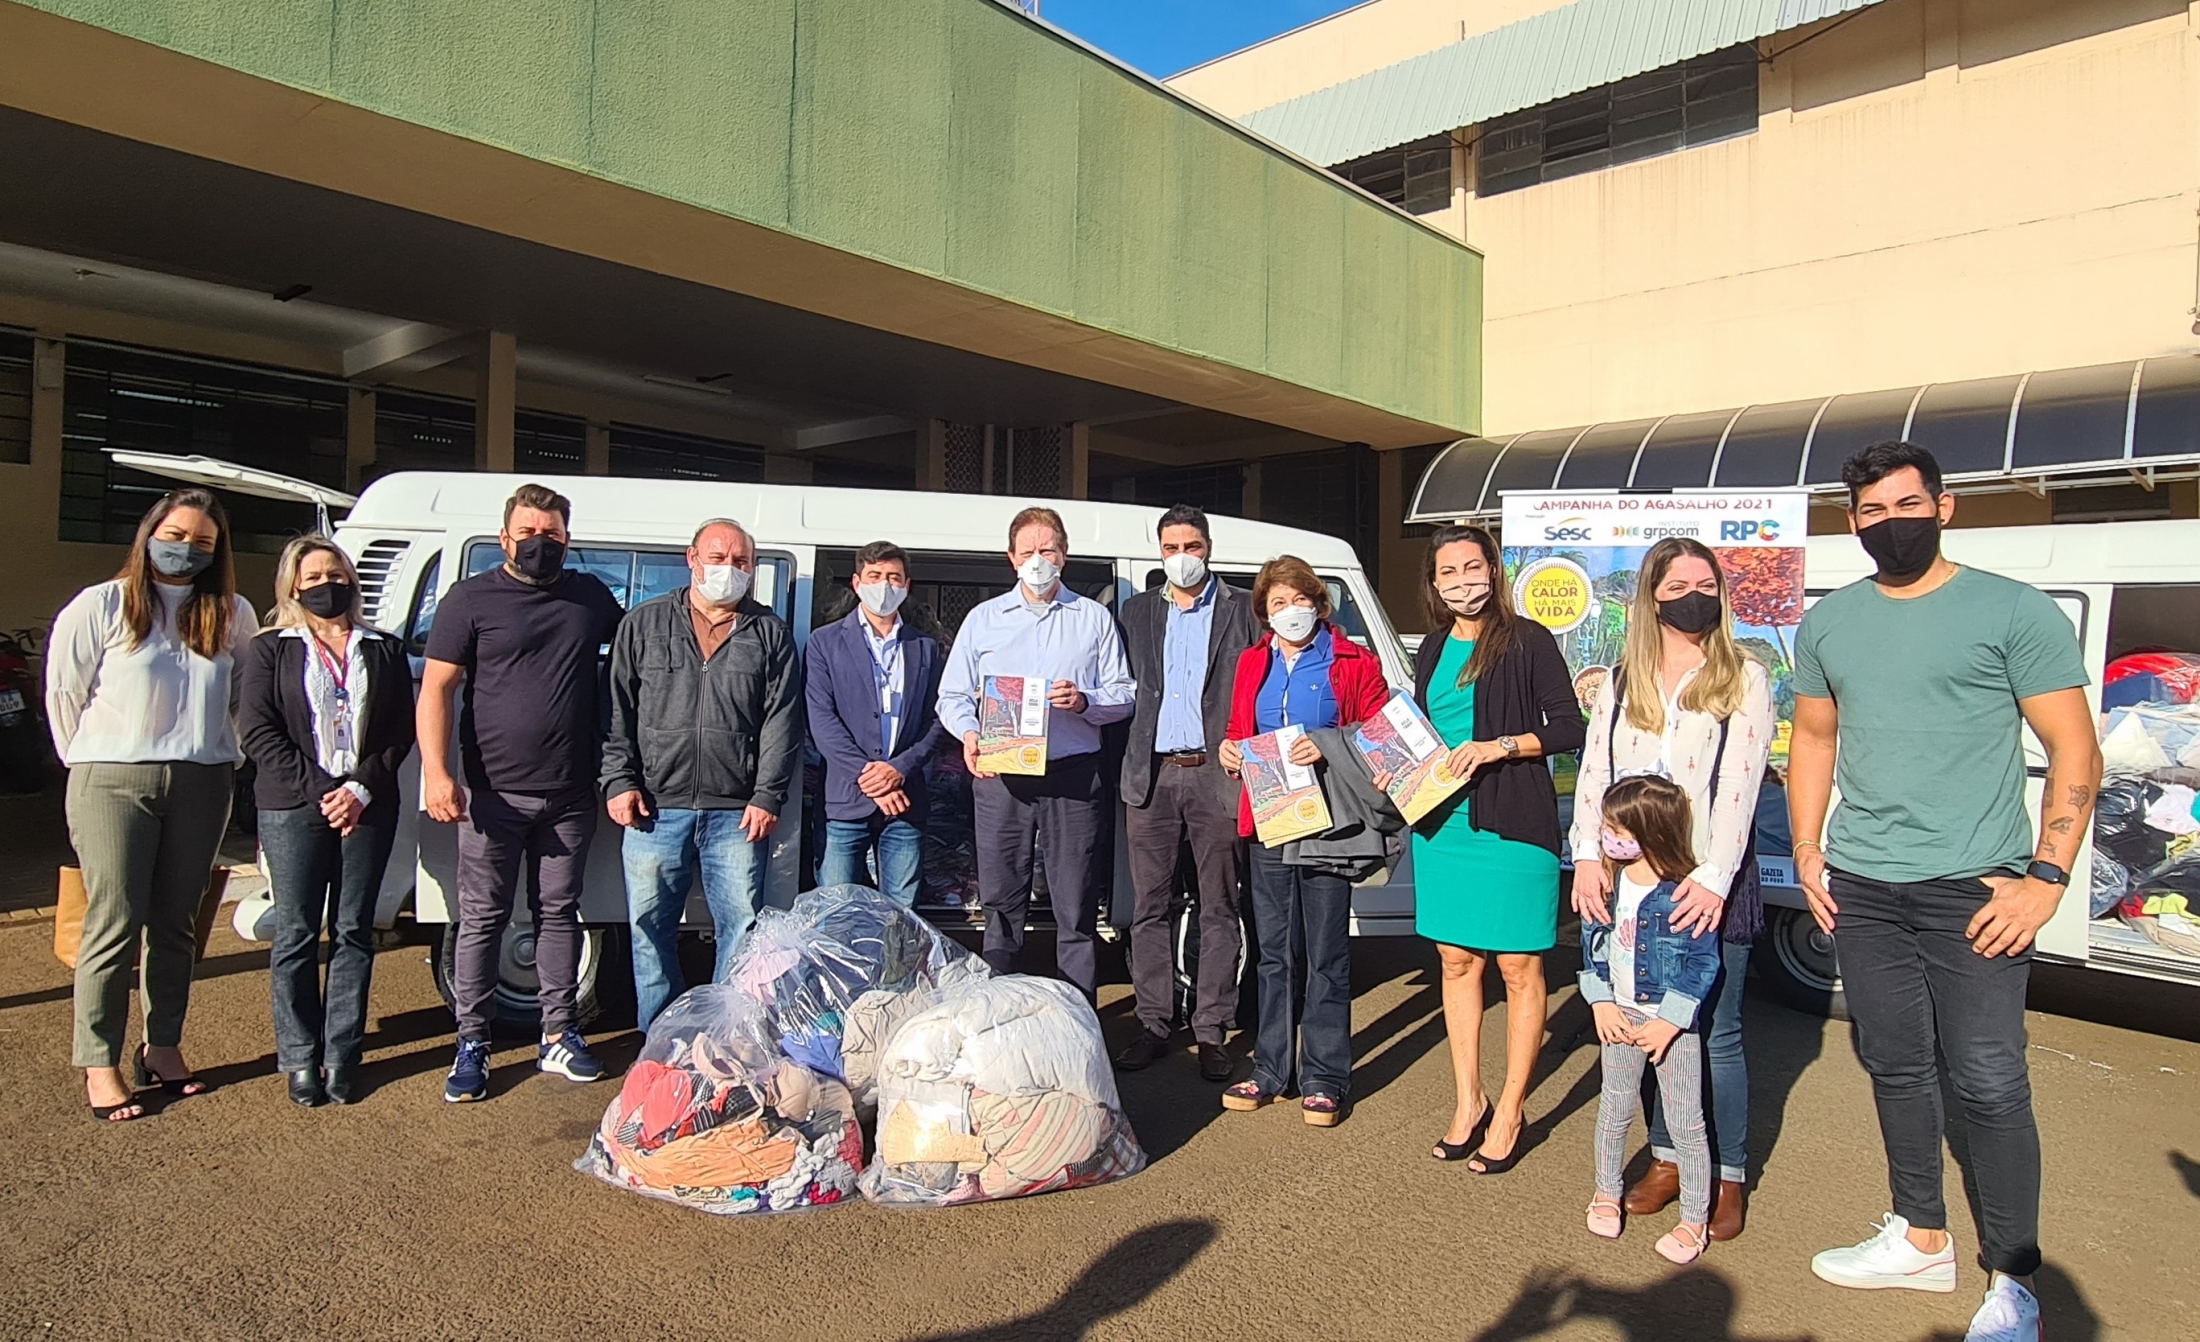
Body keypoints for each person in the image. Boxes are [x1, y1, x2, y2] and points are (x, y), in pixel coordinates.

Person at [1791, 442, 2099, 1342]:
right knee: (1894, 1064)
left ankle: (2014, 1282)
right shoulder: (1833, 622)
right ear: (1853, 522)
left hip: (1978, 887)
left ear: (1944, 507)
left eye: (1905, 505)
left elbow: (2075, 753)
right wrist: (1809, 853)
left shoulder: (2012, 609)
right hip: (1864, 885)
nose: (1891, 523)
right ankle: (1921, 1236)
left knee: (1991, 1082)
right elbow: (1814, 738)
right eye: (1872, 512)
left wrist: (2047, 881)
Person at [1569, 537, 1773, 1240]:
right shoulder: (1626, 677)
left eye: (1706, 582)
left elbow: (1742, 786)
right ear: (1652, 595)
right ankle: (1665, 1160)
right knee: (1643, 1015)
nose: (1695, 594)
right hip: (1630, 878)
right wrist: (1589, 856)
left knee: (1713, 1033)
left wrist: (1713, 880)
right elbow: (1595, 770)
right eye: (1678, 583)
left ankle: (1728, 1175)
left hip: (1704, 880)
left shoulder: (1742, 674)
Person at [45, 487, 258, 1122]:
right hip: (113, 779)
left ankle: (162, 1046)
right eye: (176, 534)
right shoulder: (102, 605)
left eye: (202, 542)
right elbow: (64, 692)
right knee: (114, 920)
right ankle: (99, 1061)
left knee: (176, 923)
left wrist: (224, 749)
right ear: (148, 533)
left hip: (201, 780)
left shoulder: (230, 612)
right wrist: (94, 756)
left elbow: (246, 695)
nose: (185, 548)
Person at [420, 483, 626, 1102]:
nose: (541, 544)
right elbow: (437, 688)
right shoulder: (470, 598)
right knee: (482, 918)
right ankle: (472, 1043)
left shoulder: (589, 597)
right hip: (490, 794)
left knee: (561, 914)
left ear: (568, 539)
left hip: (569, 793)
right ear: (505, 535)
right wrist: (437, 772)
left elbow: (643, 653)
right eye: (529, 533)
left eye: (553, 535)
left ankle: (559, 1035)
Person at [1410, 524, 1584, 1173]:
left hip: (1512, 823)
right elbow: (1427, 732)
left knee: (1518, 967)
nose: (1462, 581)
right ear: (1434, 584)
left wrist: (1499, 746)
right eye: (1448, 572)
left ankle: (1511, 1108)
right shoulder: (1430, 647)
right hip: (1443, 827)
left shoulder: (1528, 640)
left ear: (1494, 570)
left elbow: (1569, 727)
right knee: (1456, 961)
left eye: (1472, 567)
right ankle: (1469, 1099)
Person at [238, 537, 417, 1107]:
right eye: (313, 576)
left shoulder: (382, 649)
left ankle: (342, 1054)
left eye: (335, 573)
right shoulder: (270, 650)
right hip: (294, 807)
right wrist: (326, 793)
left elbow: (398, 733)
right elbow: (258, 731)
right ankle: (299, 1058)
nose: (326, 584)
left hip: (368, 804)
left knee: (353, 932)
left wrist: (359, 788)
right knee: (294, 933)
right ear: (293, 586)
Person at [603, 517, 800, 1029]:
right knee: (649, 930)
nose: (729, 571)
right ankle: (661, 1043)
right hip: (653, 807)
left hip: (736, 813)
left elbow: (782, 722)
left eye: (740, 563)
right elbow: (615, 712)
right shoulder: (643, 624)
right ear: (691, 559)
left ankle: (721, 1040)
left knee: (739, 931)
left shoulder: (769, 633)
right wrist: (618, 781)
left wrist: (767, 796)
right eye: (718, 559)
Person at [1216, 556, 1389, 1127]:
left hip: (1329, 820)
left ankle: (1325, 1074)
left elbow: (1380, 732)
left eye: (1298, 600)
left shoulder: (1352, 660)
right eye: (1276, 604)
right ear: (1264, 614)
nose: (1290, 612)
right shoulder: (1251, 662)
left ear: (1318, 601)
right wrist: (1231, 750)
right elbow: (1241, 728)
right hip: (1270, 816)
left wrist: (1327, 743)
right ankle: (1270, 1067)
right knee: (1271, 951)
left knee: (1326, 952)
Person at [936, 506, 1135, 999]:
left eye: (1047, 551)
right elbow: (952, 695)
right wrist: (968, 733)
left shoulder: (1093, 618)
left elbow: (1125, 693)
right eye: (1028, 552)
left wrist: (1086, 702)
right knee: (1002, 901)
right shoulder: (984, 620)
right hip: (1002, 776)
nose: (1038, 560)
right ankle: (1000, 1011)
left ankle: (1079, 1015)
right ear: (1011, 558)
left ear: (1063, 557)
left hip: (1073, 776)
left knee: (1076, 903)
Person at [1114, 505, 1260, 1080]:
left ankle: (1211, 1026)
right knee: (1149, 908)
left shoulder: (1242, 608)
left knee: (1218, 905)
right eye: (1172, 547)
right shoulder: (1135, 612)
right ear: (1159, 552)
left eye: (1192, 545)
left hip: (1215, 774)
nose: (1182, 557)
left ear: (1208, 547)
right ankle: (1153, 1022)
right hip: (1149, 775)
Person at [1579, 775, 1722, 1265]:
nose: (1607, 837)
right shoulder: (1606, 882)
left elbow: (1704, 961)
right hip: (1617, 1014)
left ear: (1653, 832)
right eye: (1606, 828)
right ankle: (1604, 1191)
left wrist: (1672, 1020)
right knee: (1613, 1110)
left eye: (1617, 829)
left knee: (1687, 1121)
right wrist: (1599, 1001)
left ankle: (1696, 1218)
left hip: (1670, 1024)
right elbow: (1592, 948)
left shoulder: (1685, 892)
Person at [806, 540, 947, 907]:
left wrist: (899, 770)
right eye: (875, 576)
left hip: (906, 802)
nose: (884, 586)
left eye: (893, 577)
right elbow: (821, 721)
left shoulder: (925, 647)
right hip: (844, 803)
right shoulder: (824, 642)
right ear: (856, 583)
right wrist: (874, 780)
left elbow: (937, 719)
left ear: (906, 586)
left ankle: (893, 968)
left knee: (901, 916)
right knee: (835, 911)